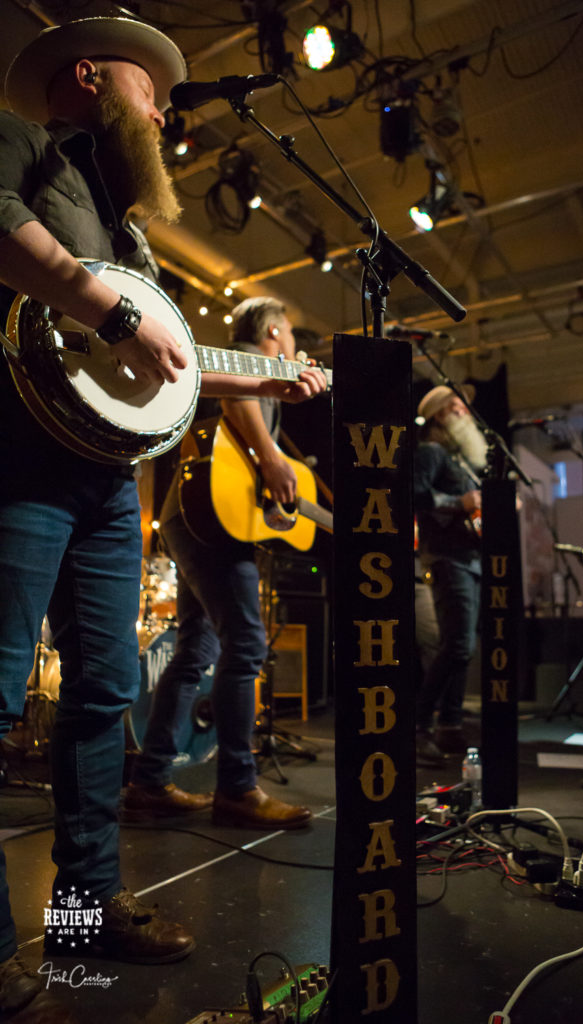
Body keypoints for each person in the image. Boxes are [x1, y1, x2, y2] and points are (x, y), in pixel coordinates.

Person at [0, 18, 325, 1022]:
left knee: (103, 695)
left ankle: (82, 916)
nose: (166, 106)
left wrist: (277, 374)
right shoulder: (19, 140)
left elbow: (170, 356)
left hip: (106, 482)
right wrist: (107, 307)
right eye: (154, 88)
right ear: (89, 76)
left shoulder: (127, 224)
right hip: (13, 460)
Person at [122, 296, 316, 831]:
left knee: (196, 651)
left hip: (193, 516)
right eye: (292, 333)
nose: (294, 343)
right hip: (206, 520)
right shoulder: (242, 356)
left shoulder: (269, 374)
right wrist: (273, 461)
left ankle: (150, 781)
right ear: (276, 329)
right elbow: (237, 406)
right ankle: (236, 788)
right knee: (246, 645)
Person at [413, 385, 488, 763]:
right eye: (459, 406)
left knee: (463, 648)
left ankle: (451, 726)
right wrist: (457, 503)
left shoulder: (462, 461)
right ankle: (419, 726)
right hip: (445, 557)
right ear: (442, 414)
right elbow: (412, 495)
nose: (467, 411)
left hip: (468, 557)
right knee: (456, 645)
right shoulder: (432, 451)